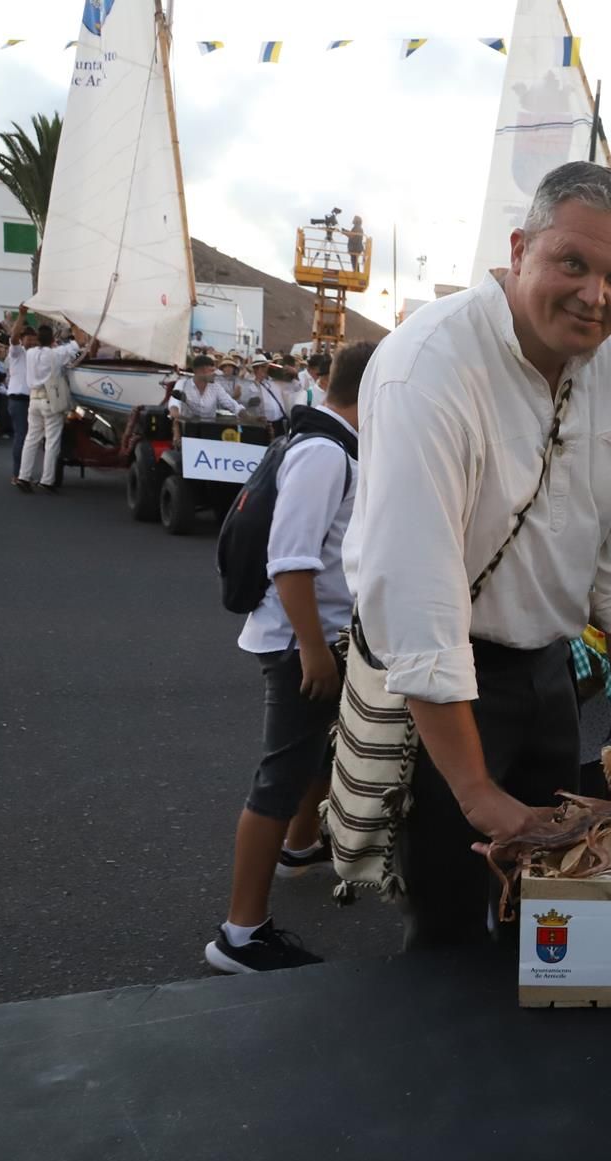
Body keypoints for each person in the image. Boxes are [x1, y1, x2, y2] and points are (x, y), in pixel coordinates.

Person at [343, 161, 611, 948]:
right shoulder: (431, 365)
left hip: (551, 675)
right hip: (450, 689)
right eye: (573, 264)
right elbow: (415, 593)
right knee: (450, 920)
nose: (595, 296)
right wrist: (475, 786)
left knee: (551, 909)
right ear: (519, 249)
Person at [205, 341, 374, 974]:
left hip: (315, 635)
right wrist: (312, 650)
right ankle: (240, 934)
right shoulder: (325, 454)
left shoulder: (324, 444)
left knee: (313, 752)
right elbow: (291, 560)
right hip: (299, 639)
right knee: (279, 775)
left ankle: (301, 846)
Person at [17, 322, 93, 492]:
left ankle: (23, 476)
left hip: (33, 399)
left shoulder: (29, 353)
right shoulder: (57, 353)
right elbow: (80, 342)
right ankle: (47, 480)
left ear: (37, 339)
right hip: (51, 399)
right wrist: (74, 324)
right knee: (52, 441)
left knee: (31, 439)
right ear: (52, 339)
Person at [174, 354, 246, 422]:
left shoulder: (216, 386)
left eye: (230, 366)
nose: (214, 374)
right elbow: (174, 404)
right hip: (189, 427)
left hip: (210, 427)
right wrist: (175, 412)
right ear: (201, 371)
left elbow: (231, 404)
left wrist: (247, 416)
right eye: (211, 371)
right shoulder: (183, 383)